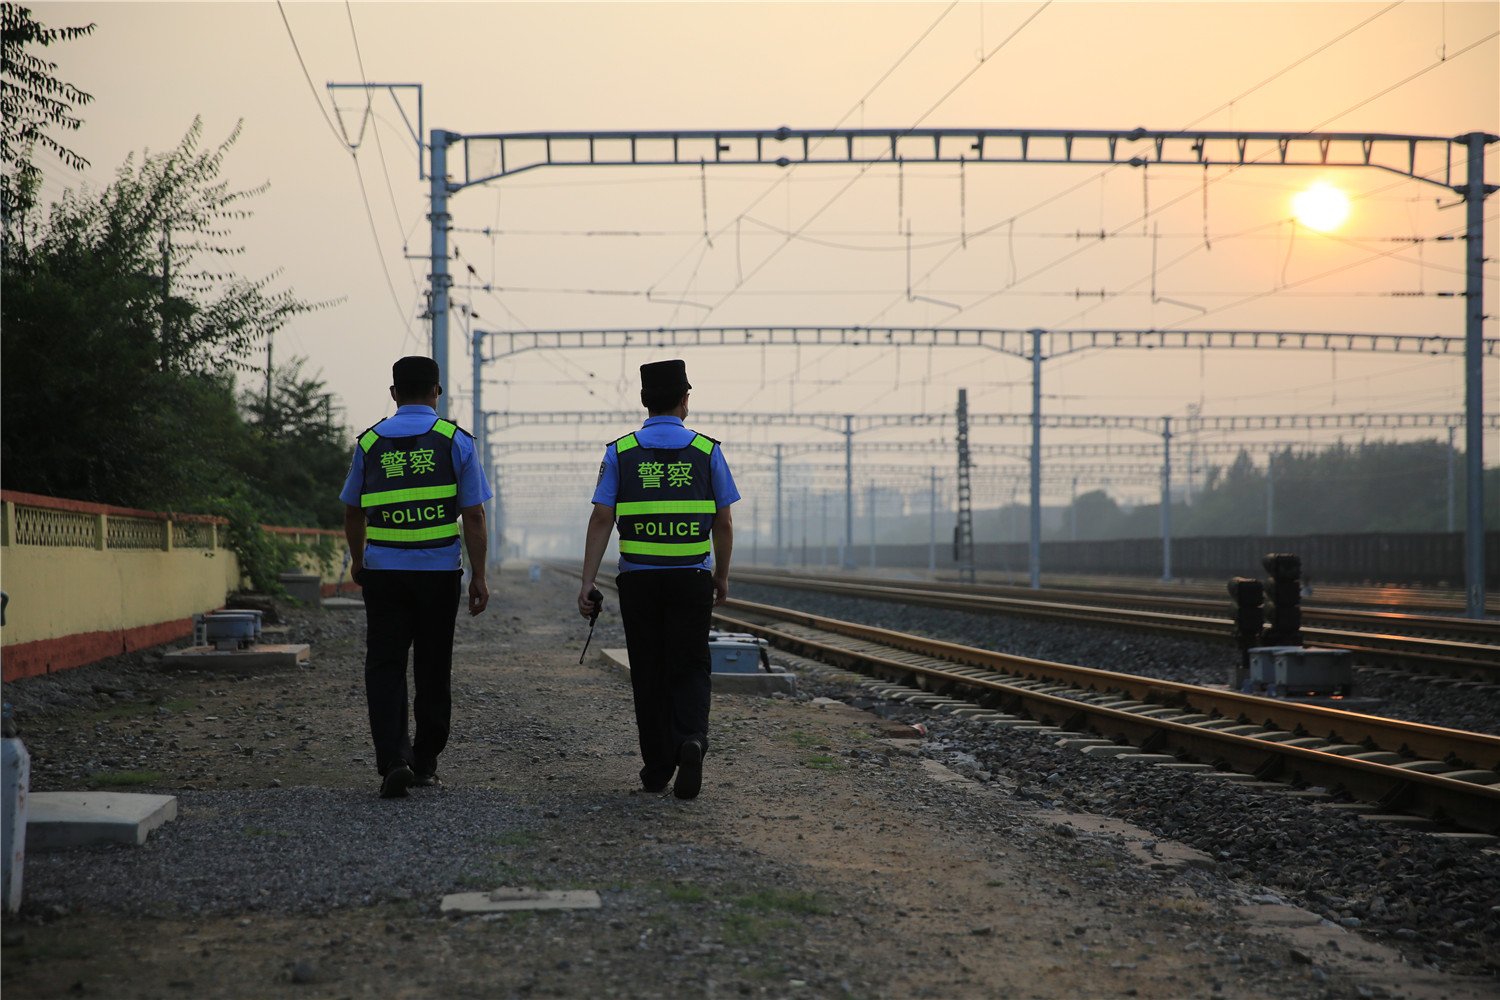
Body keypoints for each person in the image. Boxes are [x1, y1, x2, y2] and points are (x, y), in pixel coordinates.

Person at [578, 359, 738, 799]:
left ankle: (656, 767)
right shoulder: (707, 451)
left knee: (647, 671)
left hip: (639, 582)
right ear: (685, 401)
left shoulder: (621, 452)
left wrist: (587, 582)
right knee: (690, 665)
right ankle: (690, 739)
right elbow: (723, 523)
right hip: (691, 578)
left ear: (645, 402)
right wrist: (720, 576)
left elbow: (600, 518)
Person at [341, 356, 492, 798]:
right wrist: (479, 576)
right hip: (439, 575)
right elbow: (475, 516)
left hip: (384, 572)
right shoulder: (455, 442)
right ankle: (424, 761)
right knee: (432, 665)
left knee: (385, 665)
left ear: (393, 393)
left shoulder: (369, 443)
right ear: (436, 392)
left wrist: (357, 560)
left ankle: (393, 758)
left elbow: (353, 509)